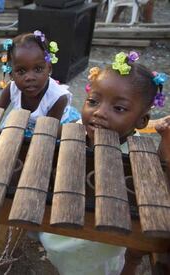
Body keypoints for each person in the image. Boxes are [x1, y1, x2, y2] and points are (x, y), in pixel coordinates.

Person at [40, 51, 169, 275]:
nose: (99, 113)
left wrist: (165, 142)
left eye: (118, 108)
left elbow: (157, 192)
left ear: (141, 120)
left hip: (106, 232)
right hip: (67, 212)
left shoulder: (136, 155)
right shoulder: (79, 127)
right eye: (93, 101)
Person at [0, 31, 80, 138]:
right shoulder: (11, 88)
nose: (30, 77)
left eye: (38, 69)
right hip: (25, 122)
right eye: (21, 71)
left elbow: (48, 133)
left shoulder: (58, 98)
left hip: (53, 128)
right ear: (11, 74)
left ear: (49, 68)